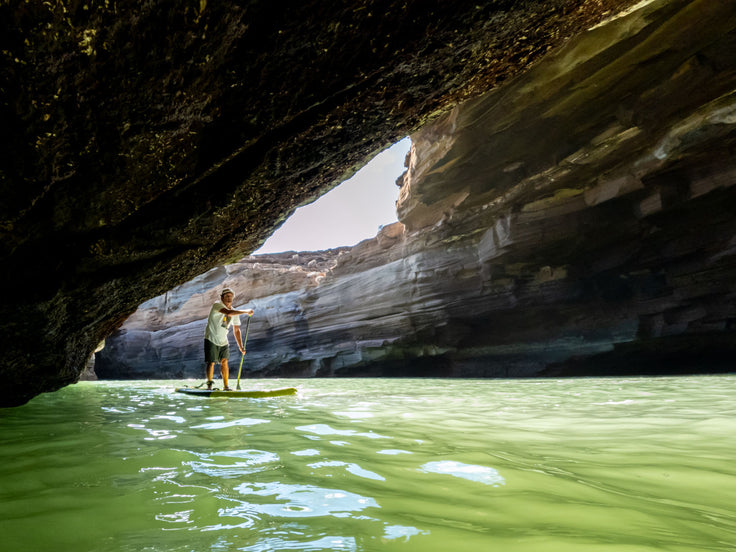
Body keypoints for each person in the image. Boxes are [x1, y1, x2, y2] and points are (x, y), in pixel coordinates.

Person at [204, 288, 254, 390]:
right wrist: (245, 311)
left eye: (230, 296)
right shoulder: (217, 305)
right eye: (226, 296)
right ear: (222, 297)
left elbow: (236, 330)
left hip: (223, 341)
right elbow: (228, 312)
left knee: (224, 361)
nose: (229, 298)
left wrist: (241, 346)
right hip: (211, 338)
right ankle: (209, 387)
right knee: (211, 362)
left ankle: (226, 386)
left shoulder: (234, 312)